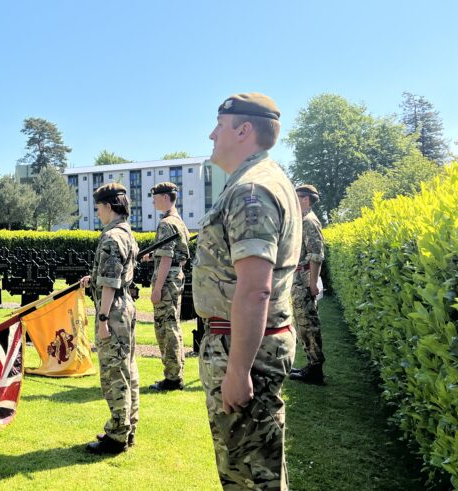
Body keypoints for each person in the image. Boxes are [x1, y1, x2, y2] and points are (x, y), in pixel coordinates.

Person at [193, 93, 301, 490]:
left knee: (249, 475)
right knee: (260, 468)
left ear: (243, 130)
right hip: (247, 340)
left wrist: (238, 370)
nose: (211, 135)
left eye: (218, 127)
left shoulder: (251, 191)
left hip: (243, 347)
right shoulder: (260, 181)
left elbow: (255, 289)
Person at [79, 182, 140, 455]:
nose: (97, 214)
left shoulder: (112, 237)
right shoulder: (127, 234)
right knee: (128, 371)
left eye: (98, 208)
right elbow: (118, 273)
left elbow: (112, 282)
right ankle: (127, 428)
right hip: (125, 305)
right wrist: (94, 280)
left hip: (113, 310)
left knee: (114, 373)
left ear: (108, 206)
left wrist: (102, 318)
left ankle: (116, 436)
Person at [140, 181, 190, 391]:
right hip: (175, 276)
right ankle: (175, 372)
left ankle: (172, 377)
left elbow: (168, 258)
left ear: (165, 197)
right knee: (173, 325)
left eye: (156, 196)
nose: (153, 200)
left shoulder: (166, 223)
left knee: (165, 327)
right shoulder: (179, 222)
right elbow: (180, 256)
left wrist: (157, 288)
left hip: (167, 279)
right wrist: (153, 256)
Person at [289, 184, 326, 385]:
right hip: (300, 280)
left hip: (304, 280)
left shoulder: (310, 222)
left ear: (305, 199)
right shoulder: (302, 220)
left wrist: (312, 284)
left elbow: (316, 255)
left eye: (297, 197)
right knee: (303, 324)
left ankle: (315, 369)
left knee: (309, 325)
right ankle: (311, 365)